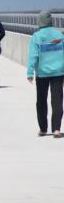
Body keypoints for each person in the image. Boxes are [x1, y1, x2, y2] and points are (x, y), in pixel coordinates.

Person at [27, 10, 64, 138]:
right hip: (59, 72)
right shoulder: (59, 34)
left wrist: (30, 72)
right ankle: (57, 129)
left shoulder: (37, 36)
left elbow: (33, 56)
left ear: (40, 21)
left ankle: (43, 129)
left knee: (41, 101)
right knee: (57, 101)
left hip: (42, 74)